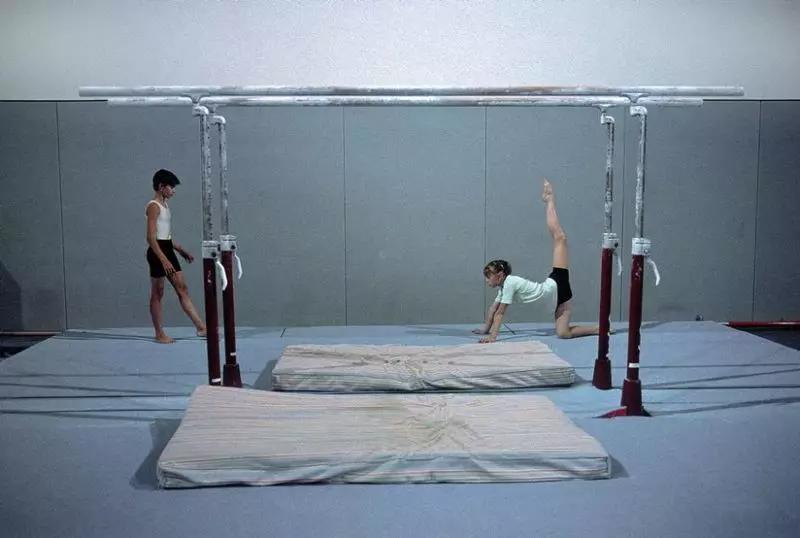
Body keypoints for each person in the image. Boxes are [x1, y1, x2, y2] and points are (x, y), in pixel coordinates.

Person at [474, 178, 600, 343]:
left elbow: (500, 313)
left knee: (560, 238)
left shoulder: (510, 282)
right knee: (563, 334)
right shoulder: (503, 287)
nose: (486, 280)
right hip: (557, 299)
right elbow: (493, 309)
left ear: (500, 275)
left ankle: (550, 199)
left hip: (557, 284)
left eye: (488, 276)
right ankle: (600, 329)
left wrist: (492, 337)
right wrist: (485, 329)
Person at [145, 169, 206, 343]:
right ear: (161, 186)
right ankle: (159, 334)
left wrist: (179, 249)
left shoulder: (165, 205)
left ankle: (201, 328)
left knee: (182, 288)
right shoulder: (153, 206)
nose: (174, 191)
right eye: (171, 187)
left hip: (166, 249)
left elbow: (164, 235)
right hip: (157, 252)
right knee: (158, 292)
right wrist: (163, 259)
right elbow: (151, 238)